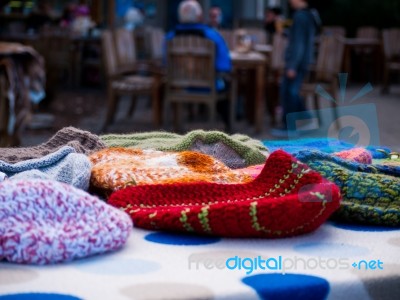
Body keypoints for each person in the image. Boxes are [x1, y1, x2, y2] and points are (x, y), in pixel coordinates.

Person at [165, 0, 232, 129]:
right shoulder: (212, 36)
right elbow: (224, 66)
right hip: (208, 86)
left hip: (179, 86)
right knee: (227, 83)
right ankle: (228, 126)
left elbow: (165, 63)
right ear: (199, 16)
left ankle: (175, 126)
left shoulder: (170, 37)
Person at [271, 0, 321, 136]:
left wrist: (292, 66)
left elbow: (298, 44)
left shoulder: (300, 17)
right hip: (303, 61)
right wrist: (286, 33)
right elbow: (300, 38)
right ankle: (306, 121)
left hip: (297, 62)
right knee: (291, 92)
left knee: (289, 93)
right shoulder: (308, 15)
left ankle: (290, 127)